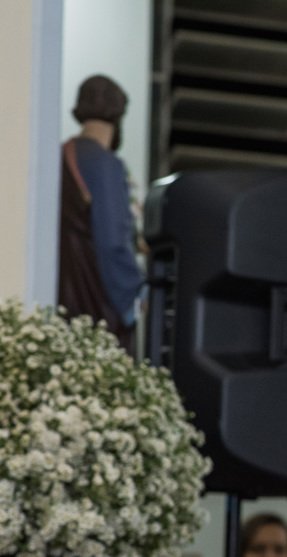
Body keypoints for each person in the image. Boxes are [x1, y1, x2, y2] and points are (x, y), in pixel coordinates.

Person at [58, 74, 144, 355]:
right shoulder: (107, 166)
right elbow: (113, 242)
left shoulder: (61, 155)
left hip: (63, 300)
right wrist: (134, 294)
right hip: (99, 306)